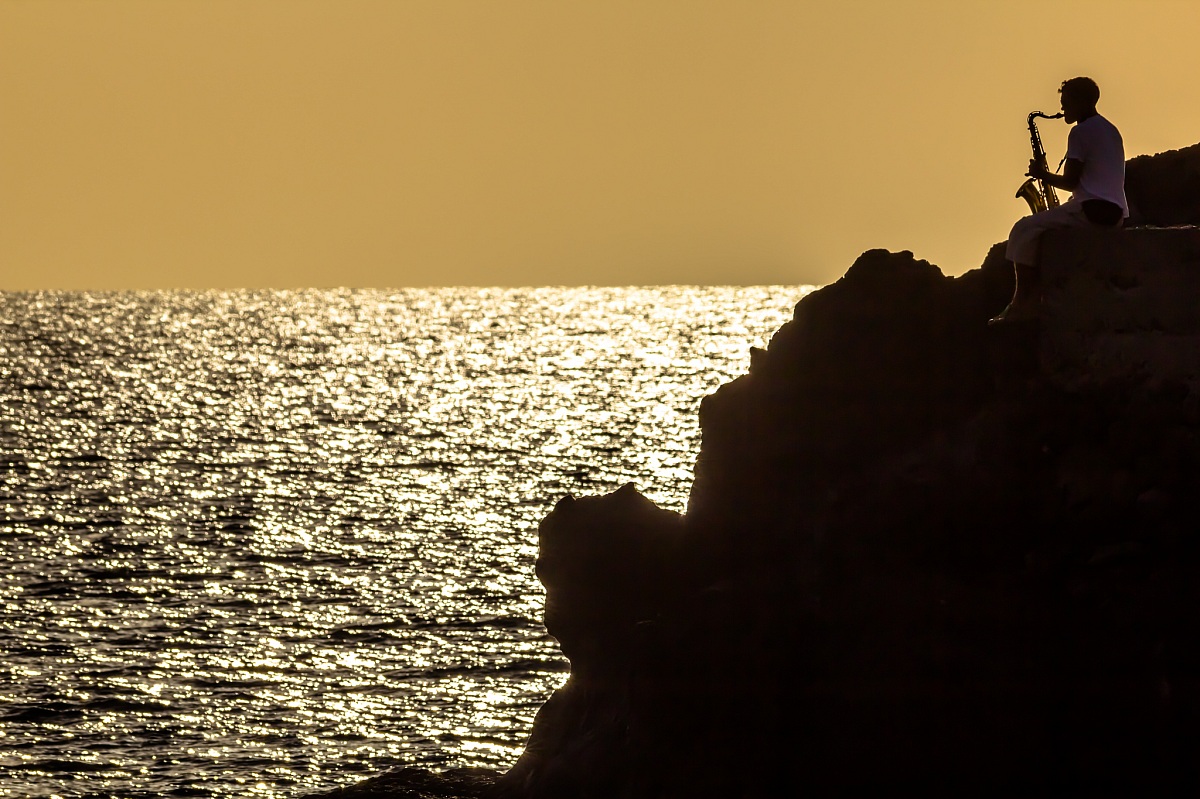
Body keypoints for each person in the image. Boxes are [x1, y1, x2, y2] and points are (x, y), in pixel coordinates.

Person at [992, 77, 1128, 323]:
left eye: (1066, 102)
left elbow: (1070, 183)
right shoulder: (1111, 130)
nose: (1062, 108)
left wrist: (1040, 174)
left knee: (1023, 229)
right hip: (1116, 213)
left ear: (1081, 101)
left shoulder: (1080, 132)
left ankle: (1021, 302)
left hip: (1091, 210)